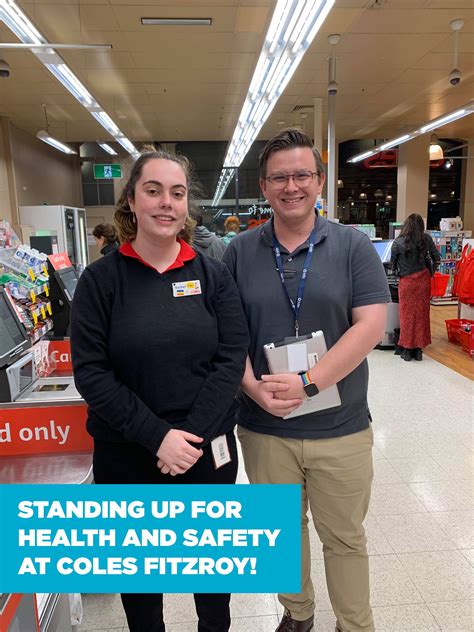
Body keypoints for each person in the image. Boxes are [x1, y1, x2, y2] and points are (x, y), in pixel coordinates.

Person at [71, 149, 249, 632]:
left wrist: (188, 438)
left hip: (206, 452)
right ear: (131, 201)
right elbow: (91, 373)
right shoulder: (100, 281)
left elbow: (231, 357)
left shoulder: (213, 276)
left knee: (212, 580)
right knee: (142, 586)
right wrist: (158, 438)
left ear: (187, 204)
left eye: (177, 193)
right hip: (127, 455)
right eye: (153, 191)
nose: (166, 203)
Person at [223, 128, 390, 632]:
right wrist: (252, 388)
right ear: (264, 186)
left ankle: (354, 625)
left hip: (340, 427)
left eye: (301, 175)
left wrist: (310, 383)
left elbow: (370, 326)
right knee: (281, 534)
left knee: (344, 538)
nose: (291, 186)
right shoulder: (239, 252)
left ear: (319, 181)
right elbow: (228, 335)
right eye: (279, 177)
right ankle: (297, 614)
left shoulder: (353, 246)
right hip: (265, 427)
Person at [390, 213, 440, 361]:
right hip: (423, 281)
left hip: (407, 282)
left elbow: (393, 265)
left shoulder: (398, 242)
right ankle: (418, 350)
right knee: (422, 315)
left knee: (407, 315)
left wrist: (398, 274)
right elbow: (437, 258)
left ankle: (406, 350)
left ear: (406, 226)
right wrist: (430, 272)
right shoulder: (426, 239)